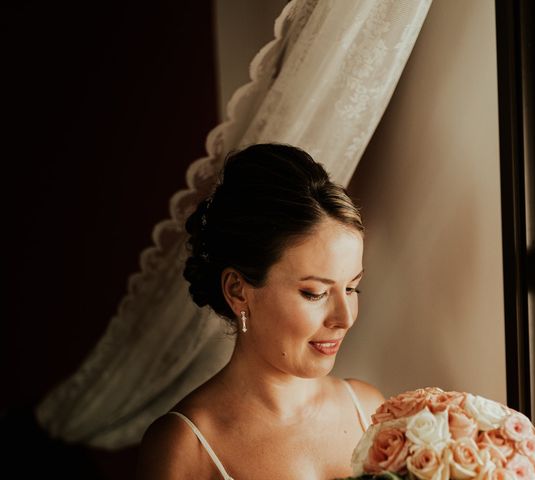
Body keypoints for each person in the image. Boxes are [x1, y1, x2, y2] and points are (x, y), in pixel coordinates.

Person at [135, 143, 385, 479]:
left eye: (352, 288)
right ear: (238, 290)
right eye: (315, 293)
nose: (345, 317)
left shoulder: (368, 409)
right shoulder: (185, 446)